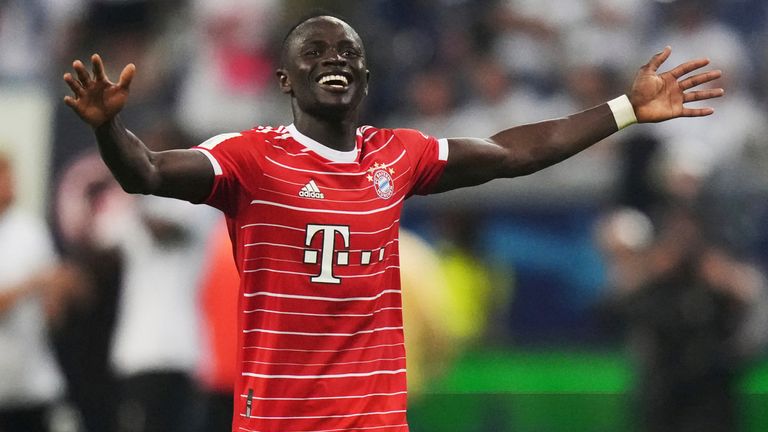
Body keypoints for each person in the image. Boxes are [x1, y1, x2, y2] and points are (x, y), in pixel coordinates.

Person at [62, 13, 723, 432]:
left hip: (375, 420)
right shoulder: (250, 156)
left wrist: (624, 109)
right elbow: (145, 173)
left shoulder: (396, 154)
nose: (334, 59)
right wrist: (109, 128)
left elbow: (514, 152)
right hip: (281, 420)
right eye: (315, 51)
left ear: (366, 76)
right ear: (288, 81)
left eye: (347, 51)